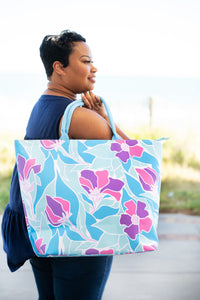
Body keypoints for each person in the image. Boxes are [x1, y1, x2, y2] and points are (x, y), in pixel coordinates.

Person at [1, 30, 128, 300]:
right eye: (85, 61)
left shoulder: (42, 105)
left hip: (42, 229)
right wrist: (105, 117)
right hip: (78, 235)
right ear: (59, 67)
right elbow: (135, 158)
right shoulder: (81, 118)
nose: (93, 68)